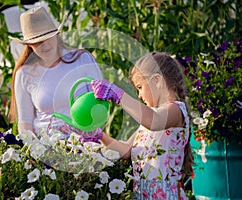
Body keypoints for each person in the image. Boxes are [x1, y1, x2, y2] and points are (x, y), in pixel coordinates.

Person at [74, 52, 194, 199]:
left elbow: (154, 121)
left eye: (140, 87)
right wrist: (99, 135)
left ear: (157, 80)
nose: (139, 95)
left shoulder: (175, 110)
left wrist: (118, 95)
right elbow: (126, 151)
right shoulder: (147, 122)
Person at [8, 6, 102, 136]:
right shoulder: (24, 74)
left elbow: (101, 101)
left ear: (57, 35)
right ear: (29, 45)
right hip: (46, 145)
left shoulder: (83, 60)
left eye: (48, 38)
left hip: (86, 141)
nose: (45, 45)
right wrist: (32, 148)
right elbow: (25, 122)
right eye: (38, 42)